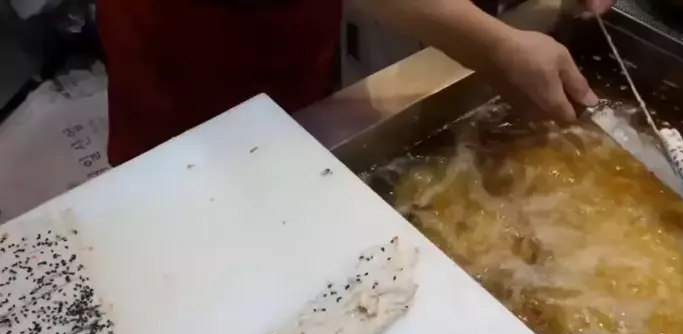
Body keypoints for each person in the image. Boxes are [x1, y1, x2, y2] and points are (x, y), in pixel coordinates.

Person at [98, 0, 613, 166]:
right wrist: (495, 46)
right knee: (189, 191)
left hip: (291, 46)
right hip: (192, 57)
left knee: (287, 154)